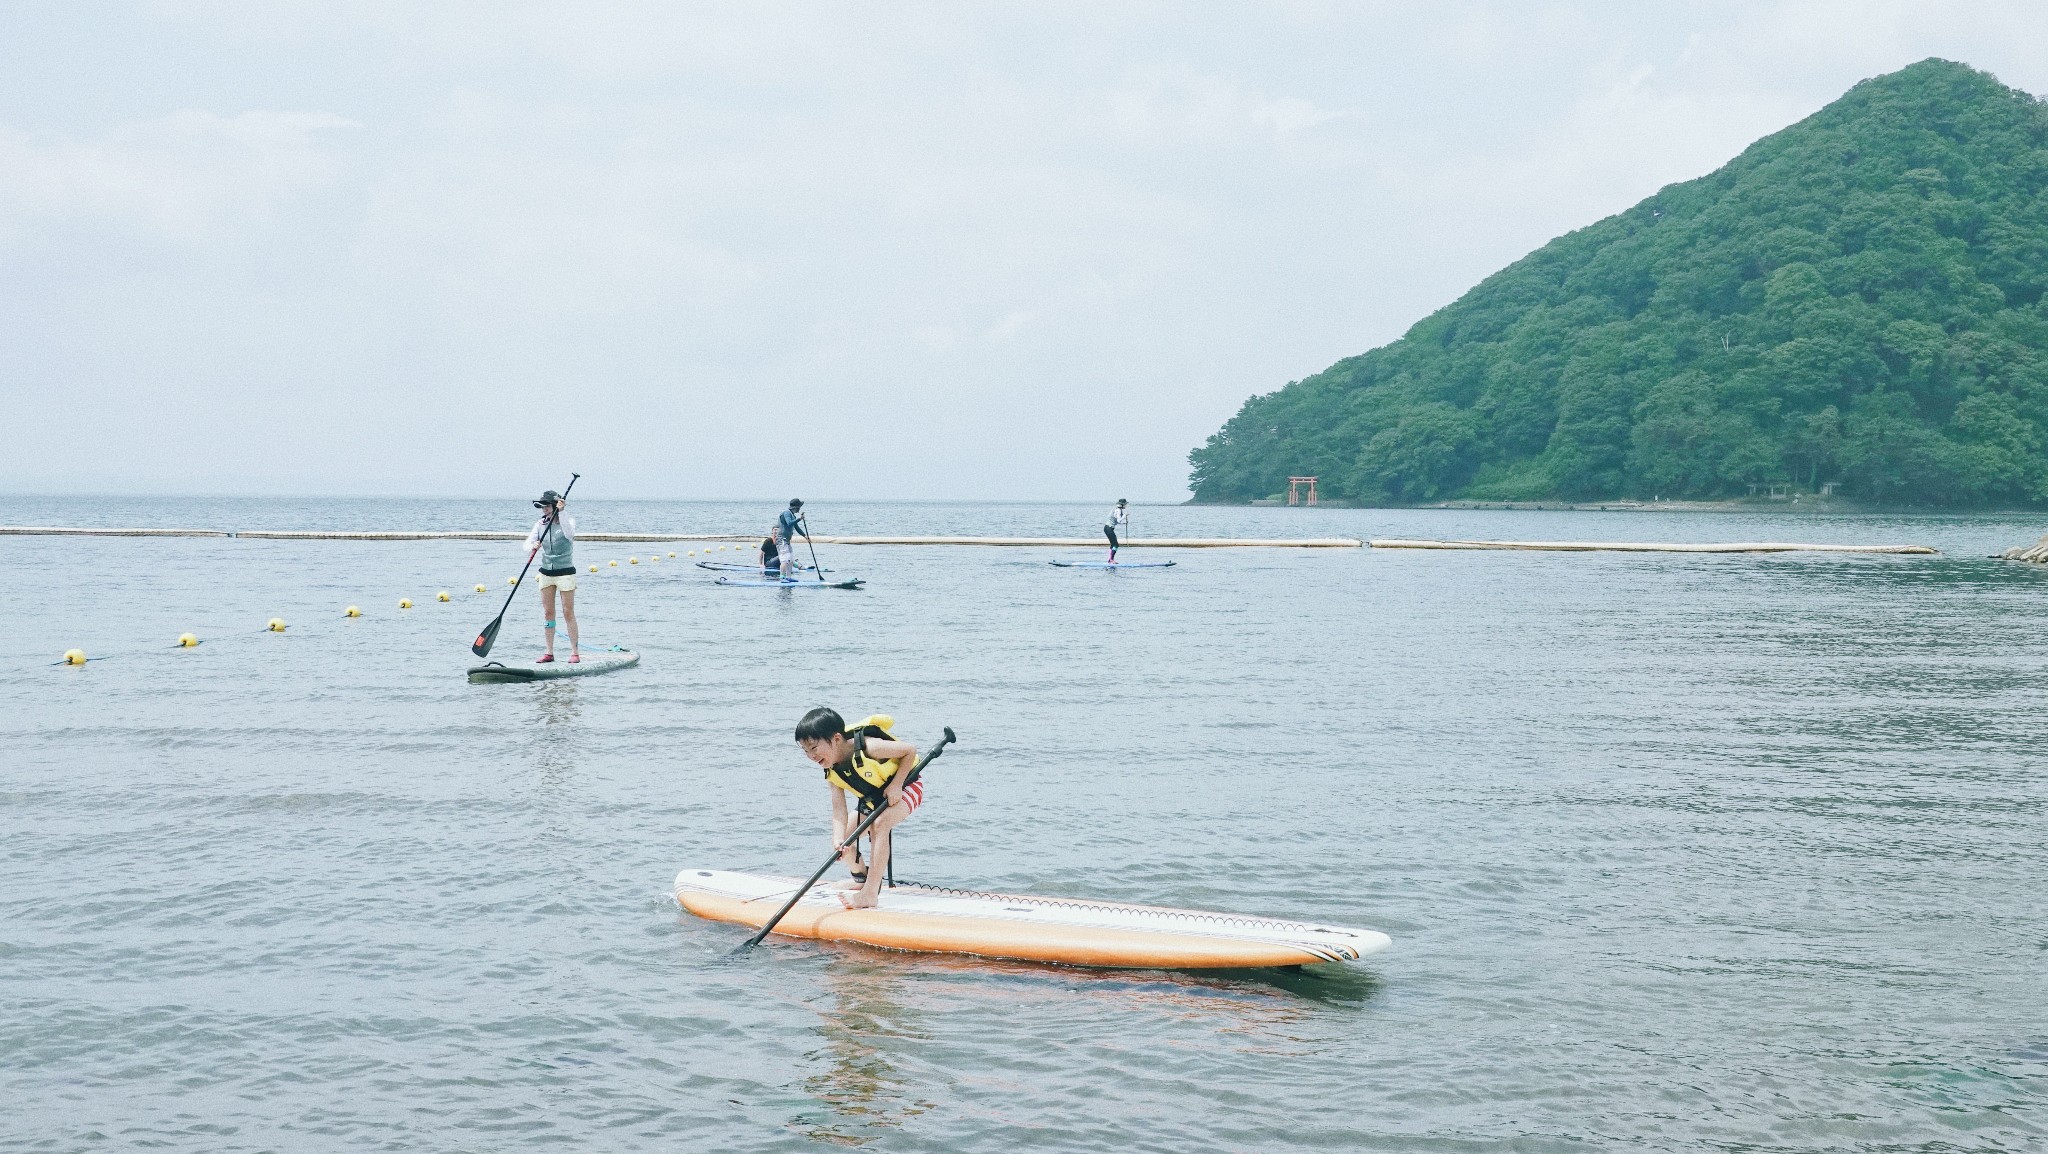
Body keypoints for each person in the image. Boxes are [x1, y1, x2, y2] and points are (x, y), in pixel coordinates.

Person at [795, 707, 922, 909]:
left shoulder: (869, 747)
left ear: (836, 739)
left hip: (908, 787)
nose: (811, 756)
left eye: (814, 748)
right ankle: (861, 879)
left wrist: (896, 785)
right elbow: (839, 810)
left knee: (880, 823)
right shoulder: (831, 771)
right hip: (874, 801)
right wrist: (838, 840)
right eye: (805, 751)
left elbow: (909, 750)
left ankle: (870, 894)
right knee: (846, 839)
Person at [524, 490, 579, 663]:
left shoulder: (568, 520)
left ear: (555, 505)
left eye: (547, 506)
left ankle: (574, 652)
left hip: (565, 573)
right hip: (546, 573)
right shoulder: (540, 524)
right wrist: (534, 544)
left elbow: (570, 534)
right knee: (548, 613)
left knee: (568, 612)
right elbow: (526, 545)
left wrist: (561, 512)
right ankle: (549, 652)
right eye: (542, 507)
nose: (544, 510)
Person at [775, 498, 805, 580]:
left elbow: (797, 528)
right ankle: (782, 577)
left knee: (791, 559)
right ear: (796, 507)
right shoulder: (786, 513)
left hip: (787, 541)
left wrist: (805, 536)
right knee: (785, 559)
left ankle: (788, 577)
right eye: (799, 507)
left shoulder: (793, 515)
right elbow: (789, 523)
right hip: (781, 540)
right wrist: (799, 519)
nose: (800, 509)